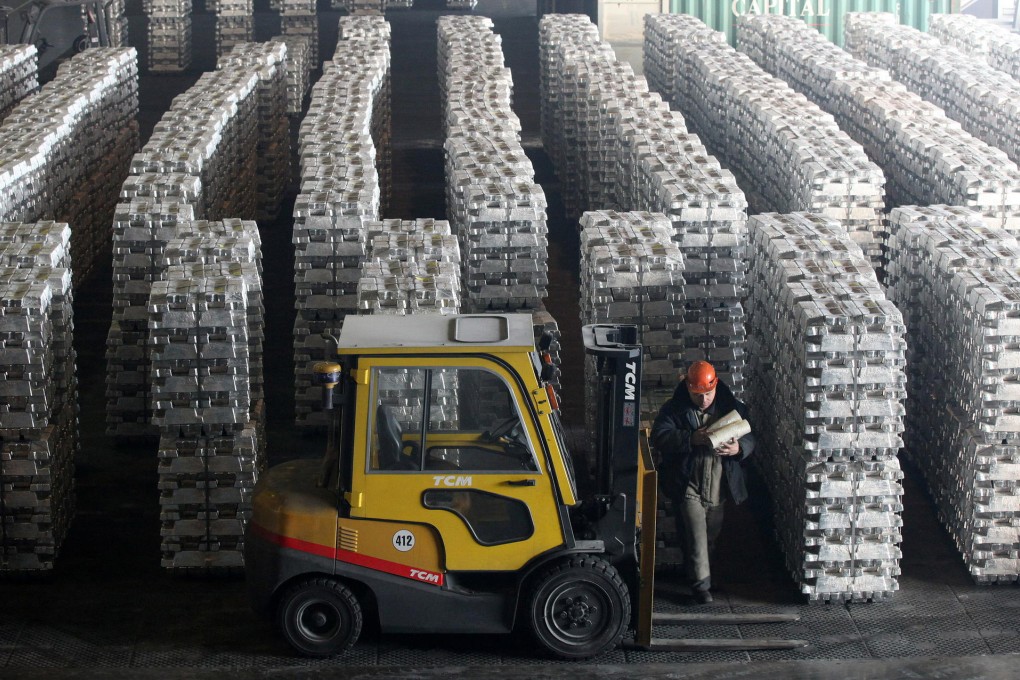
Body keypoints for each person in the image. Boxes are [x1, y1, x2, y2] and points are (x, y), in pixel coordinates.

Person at [651, 360, 755, 604]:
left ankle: (700, 577)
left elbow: (751, 438)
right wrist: (690, 439)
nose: (704, 400)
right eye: (698, 395)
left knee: (710, 537)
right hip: (689, 485)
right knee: (697, 536)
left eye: (708, 394)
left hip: (718, 485)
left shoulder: (732, 408)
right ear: (688, 388)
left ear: (716, 386)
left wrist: (739, 448)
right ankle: (701, 588)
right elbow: (660, 436)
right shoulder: (674, 410)